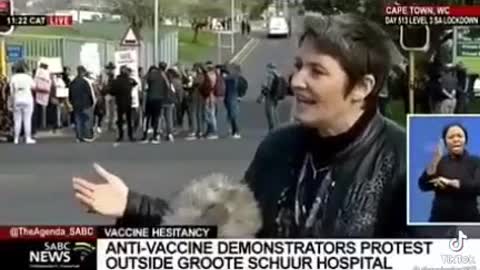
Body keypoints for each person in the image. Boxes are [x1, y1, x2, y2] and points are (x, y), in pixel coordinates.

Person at [72, 14, 455, 238]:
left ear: (362, 87)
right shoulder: (278, 148)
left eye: (316, 71)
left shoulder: (415, 163)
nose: (297, 81)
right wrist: (134, 204)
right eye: (299, 66)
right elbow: (228, 228)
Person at [418, 123, 480, 223]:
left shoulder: (475, 161)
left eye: (460, 136)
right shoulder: (439, 162)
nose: (456, 139)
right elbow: (423, 185)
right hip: (439, 221)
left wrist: (450, 183)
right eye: (451, 137)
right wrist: (435, 160)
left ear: (466, 141)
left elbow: (477, 186)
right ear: (445, 143)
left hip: (469, 221)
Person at [10, 63, 36, 144]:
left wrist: (11, 102)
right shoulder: (28, 77)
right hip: (27, 99)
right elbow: (34, 87)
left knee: (17, 120)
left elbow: (11, 92)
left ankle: (16, 139)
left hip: (17, 99)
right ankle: (28, 138)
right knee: (27, 119)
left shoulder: (13, 78)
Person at [110, 66, 138, 142]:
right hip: (128, 102)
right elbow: (135, 83)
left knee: (120, 120)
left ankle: (120, 136)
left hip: (119, 102)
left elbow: (112, 91)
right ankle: (130, 135)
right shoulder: (129, 80)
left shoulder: (116, 81)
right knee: (129, 120)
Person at [69, 66, 96, 143]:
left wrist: (72, 102)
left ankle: (79, 137)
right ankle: (86, 136)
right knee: (87, 120)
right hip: (86, 104)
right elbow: (89, 93)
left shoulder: (72, 82)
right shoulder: (85, 82)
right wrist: (92, 103)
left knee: (78, 120)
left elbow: (70, 94)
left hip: (76, 104)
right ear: (83, 72)